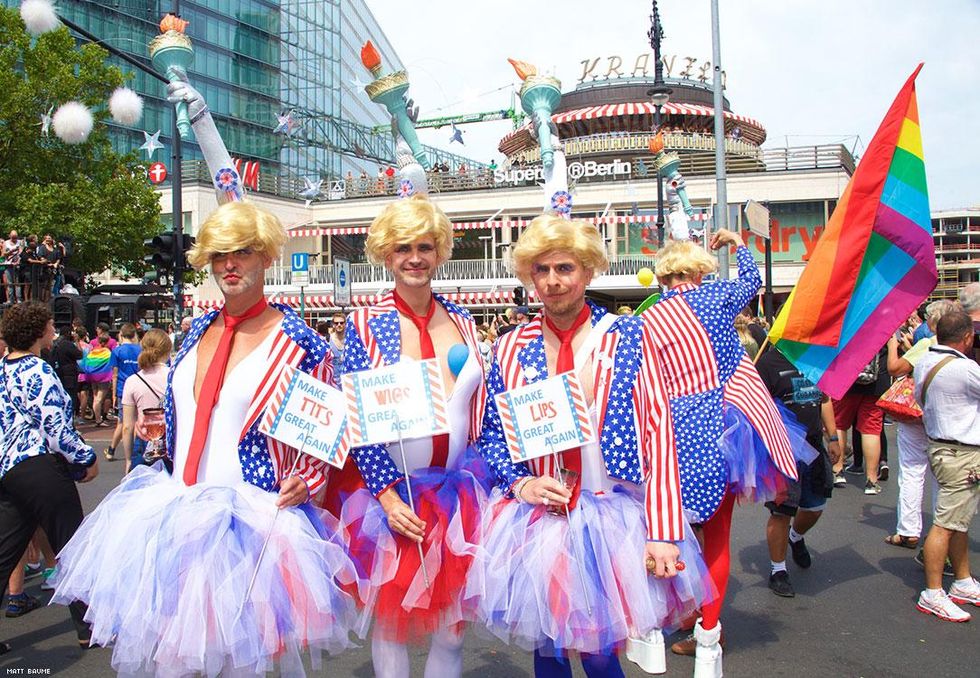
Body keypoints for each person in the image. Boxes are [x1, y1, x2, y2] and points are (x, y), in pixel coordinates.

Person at [52, 201, 362, 674]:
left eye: (242, 252)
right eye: (219, 254)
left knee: (238, 661)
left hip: (250, 522)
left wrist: (309, 478)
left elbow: (326, 428)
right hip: (174, 510)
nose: (230, 264)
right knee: (175, 658)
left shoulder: (300, 342)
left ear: (266, 257)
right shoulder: (196, 329)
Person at [472, 215, 711, 677]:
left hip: (608, 516)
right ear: (528, 276)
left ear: (587, 270)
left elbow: (658, 431)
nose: (553, 280)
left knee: (602, 656)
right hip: (536, 520)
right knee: (549, 651)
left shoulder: (626, 338)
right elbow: (492, 435)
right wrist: (521, 484)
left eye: (565, 267)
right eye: (541, 270)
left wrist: (663, 533)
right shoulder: (508, 348)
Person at [642, 232, 811, 674]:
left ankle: (677, 616)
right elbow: (752, 279)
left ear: (664, 275)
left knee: (669, 532)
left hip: (672, 433)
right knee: (717, 538)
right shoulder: (718, 296)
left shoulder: (650, 318)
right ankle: (708, 639)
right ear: (700, 271)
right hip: (724, 427)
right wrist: (739, 243)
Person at [340, 195, 488, 678]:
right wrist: (384, 496)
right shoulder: (365, 324)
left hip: (458, 493)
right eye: (403, 247)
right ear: (386, 253)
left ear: (440, 252)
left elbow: (481, 411)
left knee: (451, 628)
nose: (415, 257)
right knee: (391, 625)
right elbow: (358, 415)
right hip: (395, 496)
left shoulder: (464, 323)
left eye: (425, 246)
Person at [0, 302, 98, 653]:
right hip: (41, 466)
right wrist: (85, 457)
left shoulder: (2, 370)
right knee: (72, 546)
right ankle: (89, 627)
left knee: (4, 552)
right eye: (48, 325)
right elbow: (55, 427)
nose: (52, 330)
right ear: (38, 331)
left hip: (10, 469)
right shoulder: (38, 370)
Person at [912, 309, 980, 622]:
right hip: (961, 451)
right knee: (946, 523)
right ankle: (933, 592)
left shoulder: (926, 359)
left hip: (941, 445)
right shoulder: (965, 369)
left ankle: (963, 581)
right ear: (967, 338)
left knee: (957, 520)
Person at [756, 346, 841, 597]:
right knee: (782, 511)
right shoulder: (768, 362)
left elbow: (824, 399)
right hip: (784, 448)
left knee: (815, 507)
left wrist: (833, 436)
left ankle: (796, 536)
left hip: (814, 445)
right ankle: (778, 570)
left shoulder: (814, 357)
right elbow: (756, 404)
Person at [883, 300, 952, 551]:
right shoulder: (959, 347)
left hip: (916, 413)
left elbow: (895, 368)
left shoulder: (927, 344)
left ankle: (908, 530)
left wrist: (894, 347)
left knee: (912, 471)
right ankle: (942, 529)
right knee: (940, 476)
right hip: (945, 416)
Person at [834, 343, 890, 493]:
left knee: (840, 424)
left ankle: (838, 470)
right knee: (871, 429)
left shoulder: (848, 320)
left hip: (845, 378)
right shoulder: (883, 321)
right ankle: (871, 480)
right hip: (877, 380)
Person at [119, 329, 170, 475]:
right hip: (170, 441)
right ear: (167, 350)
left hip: (144, 440)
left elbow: (127, 426)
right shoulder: (175, 376)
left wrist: (128, 459)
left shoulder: (132, 381)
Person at [104, 323, 141, 462]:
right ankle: (136, 451)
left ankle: (112, 449)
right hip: (138, 386)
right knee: (137, 421)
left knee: (123, 422)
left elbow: (114, 373)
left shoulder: (117, 351)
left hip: (123, 388)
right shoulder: (140, 349)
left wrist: (113, 393)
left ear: (121, 334)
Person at [46, 325, 82, 422]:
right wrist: (77, 341)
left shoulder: (55, 343)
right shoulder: (67, 344)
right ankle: (69, 421)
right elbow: (80, 354)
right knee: (71, 397)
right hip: (69, 374)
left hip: (58, 373)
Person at [2, 231, 22, 304]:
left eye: (16, 237)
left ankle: (19, 299)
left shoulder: (20, 242)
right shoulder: (6, 243)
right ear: (10, 236)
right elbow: (4, 254)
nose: (14, 239)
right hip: (8, 264)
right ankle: (11, 299)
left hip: (17, 265)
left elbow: (21, 253)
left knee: (17, 283)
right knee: (10, 283)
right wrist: (11, 251)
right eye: (13, 237)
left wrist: (18, 262)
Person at [328, 311, 346, 387]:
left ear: (345, 324)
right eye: (336, 323)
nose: (339, 325)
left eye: (341, 323)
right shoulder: (328, 339)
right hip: (333, 382)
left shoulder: (350, 339)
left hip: (348, 380)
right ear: (333, 325)